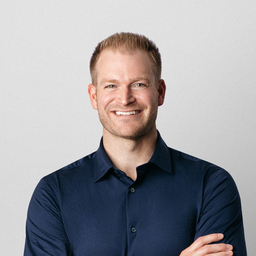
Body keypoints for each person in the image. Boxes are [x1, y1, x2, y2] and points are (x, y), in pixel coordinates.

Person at [24, 32, 246, 256]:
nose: (125, 98)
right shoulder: (53, 194)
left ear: (160, 92)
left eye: (139, 84)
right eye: (111, 86)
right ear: (93, 96)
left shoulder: (211, 186)